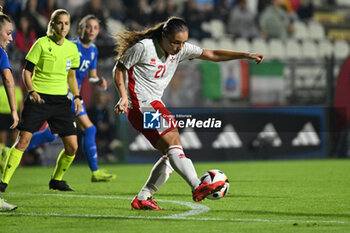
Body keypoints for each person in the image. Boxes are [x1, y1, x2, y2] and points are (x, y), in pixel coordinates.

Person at [113, 16, 264, 210]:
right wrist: (123, 97)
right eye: (176, 42)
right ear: (164, 36)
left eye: (183, 42)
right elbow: (119, 68)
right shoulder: (144, 47)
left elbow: (212, 54)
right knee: (175, 141)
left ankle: (143, 197)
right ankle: (197, 186)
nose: (179, 47)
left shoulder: (180, 50)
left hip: (149, 106)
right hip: (142, 105)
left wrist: (245, 55)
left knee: (172, 153)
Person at [0, 9, 82, 195]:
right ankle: (3, 183)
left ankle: (56, 179)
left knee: (72, 147)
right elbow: (26, 72)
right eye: (59, 23)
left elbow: (72, 77)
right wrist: (32, 91)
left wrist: (77, 96)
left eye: (66, 23)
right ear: (51, 24)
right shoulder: (41, 44)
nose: (63, 27)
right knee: (23, 140)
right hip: (39, 99)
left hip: (61, 101)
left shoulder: (71, 49)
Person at [27, 14, 116, 182]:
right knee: (85, 130)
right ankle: (94, 172)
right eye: (88, 27)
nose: (91, 31)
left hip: (74, 95)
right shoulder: (71, 45)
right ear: (80, 28)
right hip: (63, 94)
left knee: (54, 134)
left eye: (95, 28)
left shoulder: (94, 50)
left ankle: (12, 150)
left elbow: (91, 75)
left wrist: (99, 81)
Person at [0, 5, 19, 211]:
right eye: (8, 33)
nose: (11, 38)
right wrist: (14, 110)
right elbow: (8, 79)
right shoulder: (1, 54)